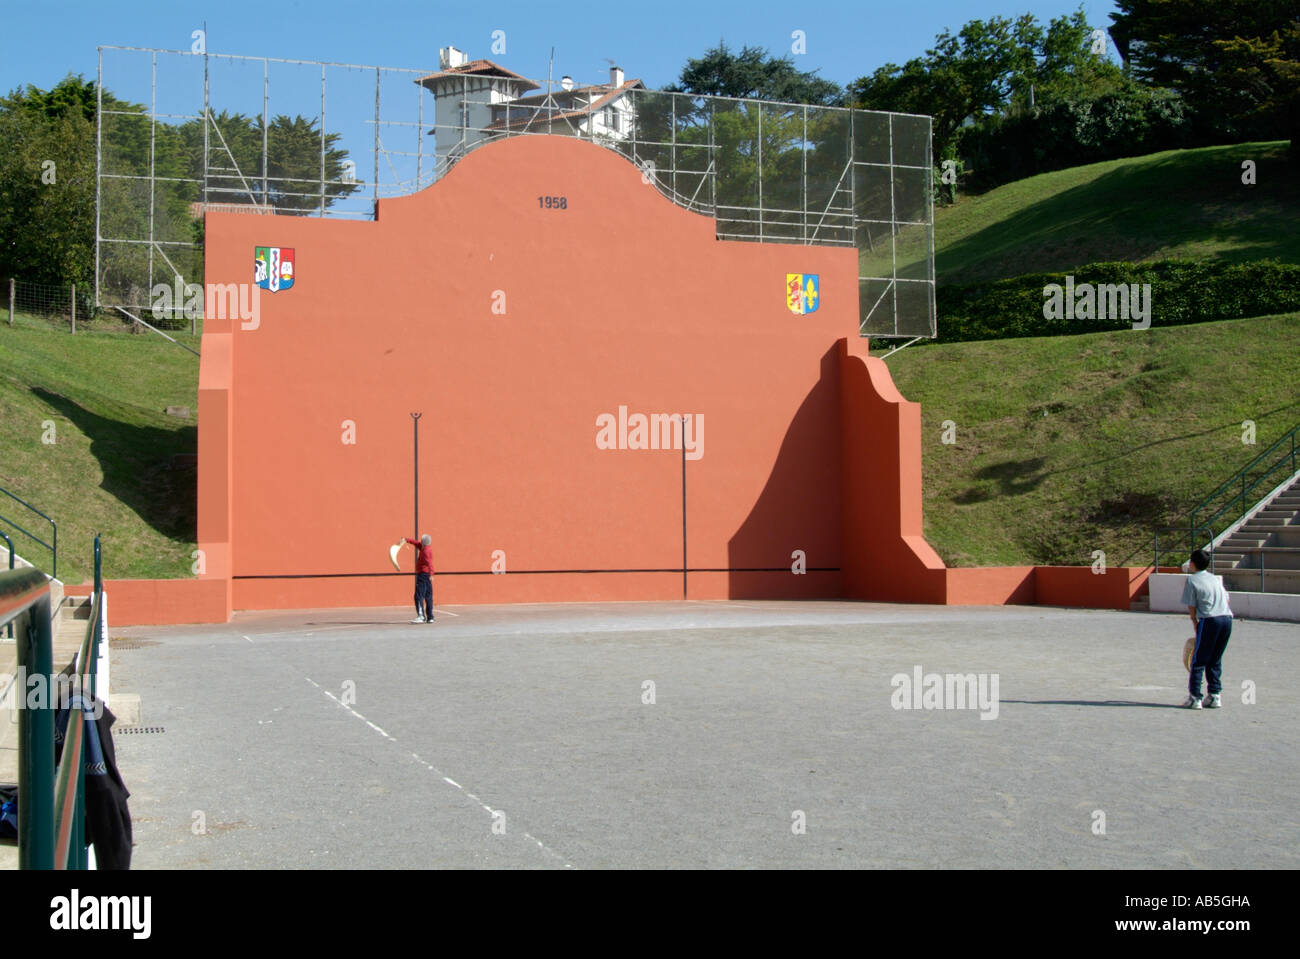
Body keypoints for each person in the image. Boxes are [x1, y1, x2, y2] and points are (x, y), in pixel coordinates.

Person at [1179, 548, 1232, 709]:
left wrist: (1194, 621)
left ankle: (1195, 697)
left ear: (1193, 563)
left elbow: (1191, 605)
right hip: (1227, 618)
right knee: (1215, 658)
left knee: (1198, 659)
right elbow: (1227, 599)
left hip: (1209, 620)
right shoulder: (1215, 578)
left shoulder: (1192, 580)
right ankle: (1215, 695)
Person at [403, 533, 435, 623]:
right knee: (428, 596)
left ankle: (421, 616)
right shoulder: (424, 547)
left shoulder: (425, 552)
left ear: (423, 543)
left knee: (418, 596)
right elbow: (416, 543)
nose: (420, 542)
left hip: (423, 575)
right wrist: (406, 539)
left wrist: (432, 574)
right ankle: (430, 617)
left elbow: (430, 563)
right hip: (427, 575)